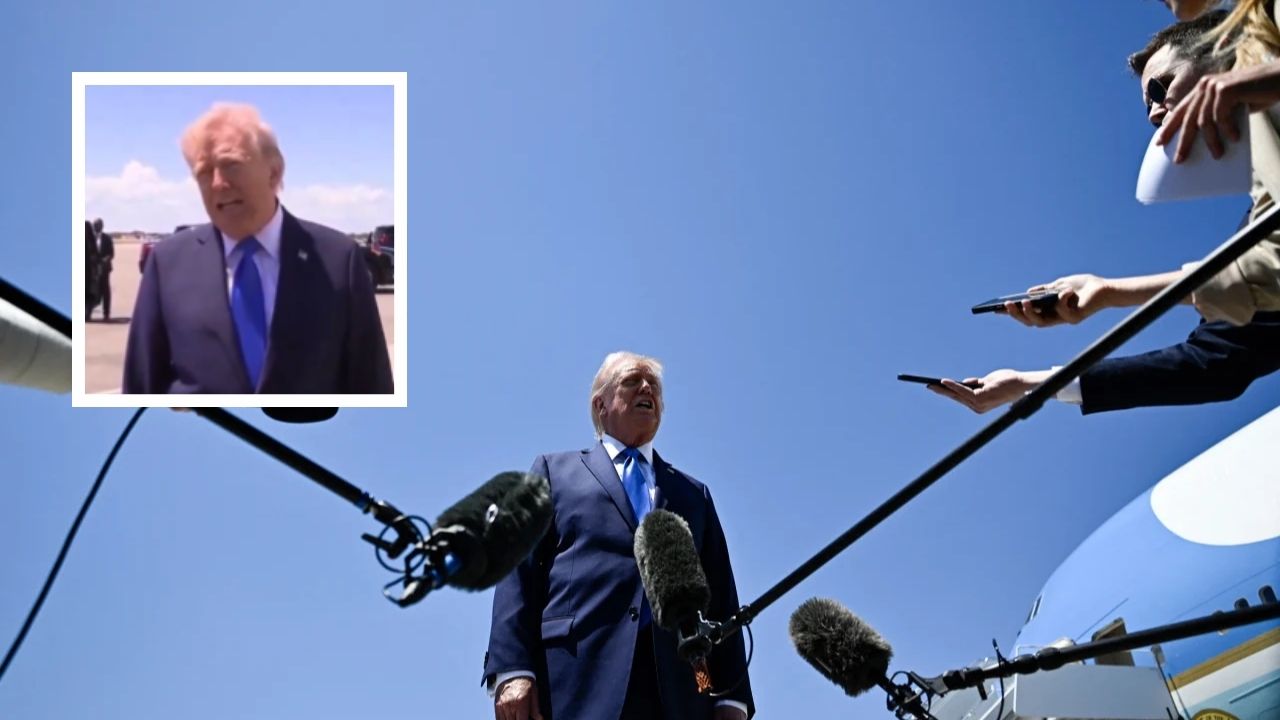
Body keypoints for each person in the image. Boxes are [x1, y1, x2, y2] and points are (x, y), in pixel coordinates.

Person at [932, 11, 1280, 414]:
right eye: (1149, 107)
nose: (1155, 114)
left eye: (1161, 87)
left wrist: (1111, 293)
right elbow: (1214, 363)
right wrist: (1027, 386)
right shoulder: (1263, 212)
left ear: (1223, 49)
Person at [483, 352, 754, 720]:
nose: (647, 389)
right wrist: (512, 669)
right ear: (601, 404)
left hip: (681, 691)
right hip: (574, 682)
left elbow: (721, 596)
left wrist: (731, 698)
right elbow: (517, 570)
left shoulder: (694, 494)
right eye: (631, 381)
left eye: (654, 386)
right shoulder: (554, 471)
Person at [122, 103, 393, 394]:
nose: (218, 183)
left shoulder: (337, 259)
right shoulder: (168, 264)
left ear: (273, 172)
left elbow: (371, 385)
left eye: (231, 165)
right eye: (204, 172)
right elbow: (140, 387)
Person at [91, 218, 114, 321]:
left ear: (102, 226)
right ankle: (87, 313)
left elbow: (111, 253)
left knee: (105, 291)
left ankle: (106, 313)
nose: (96, 227)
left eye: (98, 225)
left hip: (104, 269)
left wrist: (104, 261)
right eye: (94, 225)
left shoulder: (107, 238)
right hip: (92, 270)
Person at [84, 220, 100, 322]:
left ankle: (87, 314)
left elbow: (95, 253)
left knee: (89, 293)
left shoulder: (91, 239)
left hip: (89, 270)